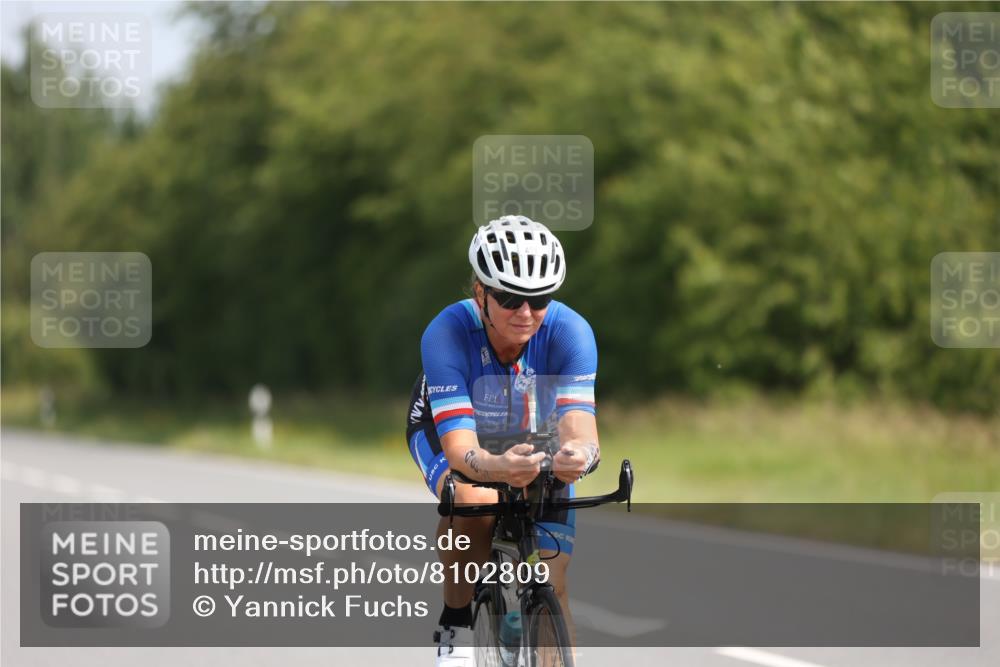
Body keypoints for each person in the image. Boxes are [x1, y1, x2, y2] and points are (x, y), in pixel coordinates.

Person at [405, 215, 601, 666]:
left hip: (532, 427)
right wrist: (497, 469)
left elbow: (580, 428)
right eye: (510, 298)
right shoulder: (446, 333)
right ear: (481, 293)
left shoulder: (571, 332)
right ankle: (454, 622)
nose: (526, 313)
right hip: (453, 426)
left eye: (539, 299)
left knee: (553, 582)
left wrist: (580, 456)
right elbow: (461, 450)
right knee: (474, 504)